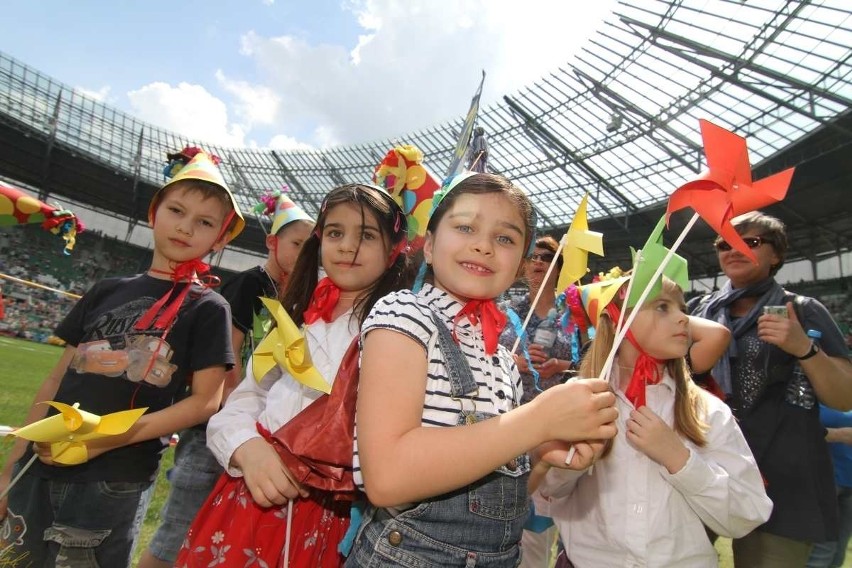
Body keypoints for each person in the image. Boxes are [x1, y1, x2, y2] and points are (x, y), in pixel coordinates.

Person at [345, 172, 619, 567]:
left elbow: (499, 501)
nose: (483, 245)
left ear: (521, 264)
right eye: (465, 227)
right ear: (430, 244)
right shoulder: (404, 314)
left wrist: (540, 454)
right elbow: (386, 477)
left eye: (505, 238)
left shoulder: (502, 359)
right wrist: (538, 421)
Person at [0, 150, 243, 567]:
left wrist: (104, 441)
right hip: (39, 464)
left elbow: (205, 401)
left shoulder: (210, 307)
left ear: (220, 239)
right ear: (155, 213)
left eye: (204, 222)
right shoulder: (106, 289)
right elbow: (55, 381)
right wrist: (10, 467)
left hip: (114, 477)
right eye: (177, 211)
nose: (186, 227)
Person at [175, 183, 411, 568]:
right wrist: (245, 449)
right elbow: (244, 400)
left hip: (329, 515)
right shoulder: (294, 318)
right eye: (335, 232)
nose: (347, 246)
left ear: (394, 250)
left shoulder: (397, 333)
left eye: (366, 235)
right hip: (247, 495)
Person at [539, 272, 772, 567]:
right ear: (618, 317)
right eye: (662, 307)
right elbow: (545, 496)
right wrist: (570, 464)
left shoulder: (707, 411)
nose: (683, 319)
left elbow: (747, 515)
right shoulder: (574, 402)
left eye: (683, 309)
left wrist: (681, 460)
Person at [137, 193, 314, 568]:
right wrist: (238, 415)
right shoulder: (250, 285)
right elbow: (226, 358)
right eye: (298, 243)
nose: (305, 254)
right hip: (214, 430)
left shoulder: (300, 296)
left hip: (252, 434)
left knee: (213, 534)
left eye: (311, 247)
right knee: (178, 531)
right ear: (272, 242)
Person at [690, 211, 852, 566]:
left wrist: (803, 349)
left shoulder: (803, 311)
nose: (733, 250)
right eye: (724, 243)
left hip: (783, 476)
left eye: (750, 242)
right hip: (706, 464)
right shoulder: (697, 312)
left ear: (776, 254)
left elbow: (844, 395)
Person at [498, 235, 574, 568]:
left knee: (537, 528)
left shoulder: (573, 316)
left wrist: (564, 367)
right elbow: (485, 354)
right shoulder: (505, 311)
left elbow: (593, 364)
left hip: (550, 427)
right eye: (533, 257)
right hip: (508, 422)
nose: (539, 262)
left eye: (547, 257)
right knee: (499, 513)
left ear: (560, 267)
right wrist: (512, 362)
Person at [807, 406, 852, 567]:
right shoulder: (819, 389)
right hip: (825, 480)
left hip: (849, 482)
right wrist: (839, 435)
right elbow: (799, 431)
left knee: (837, 556)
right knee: (821, 553)